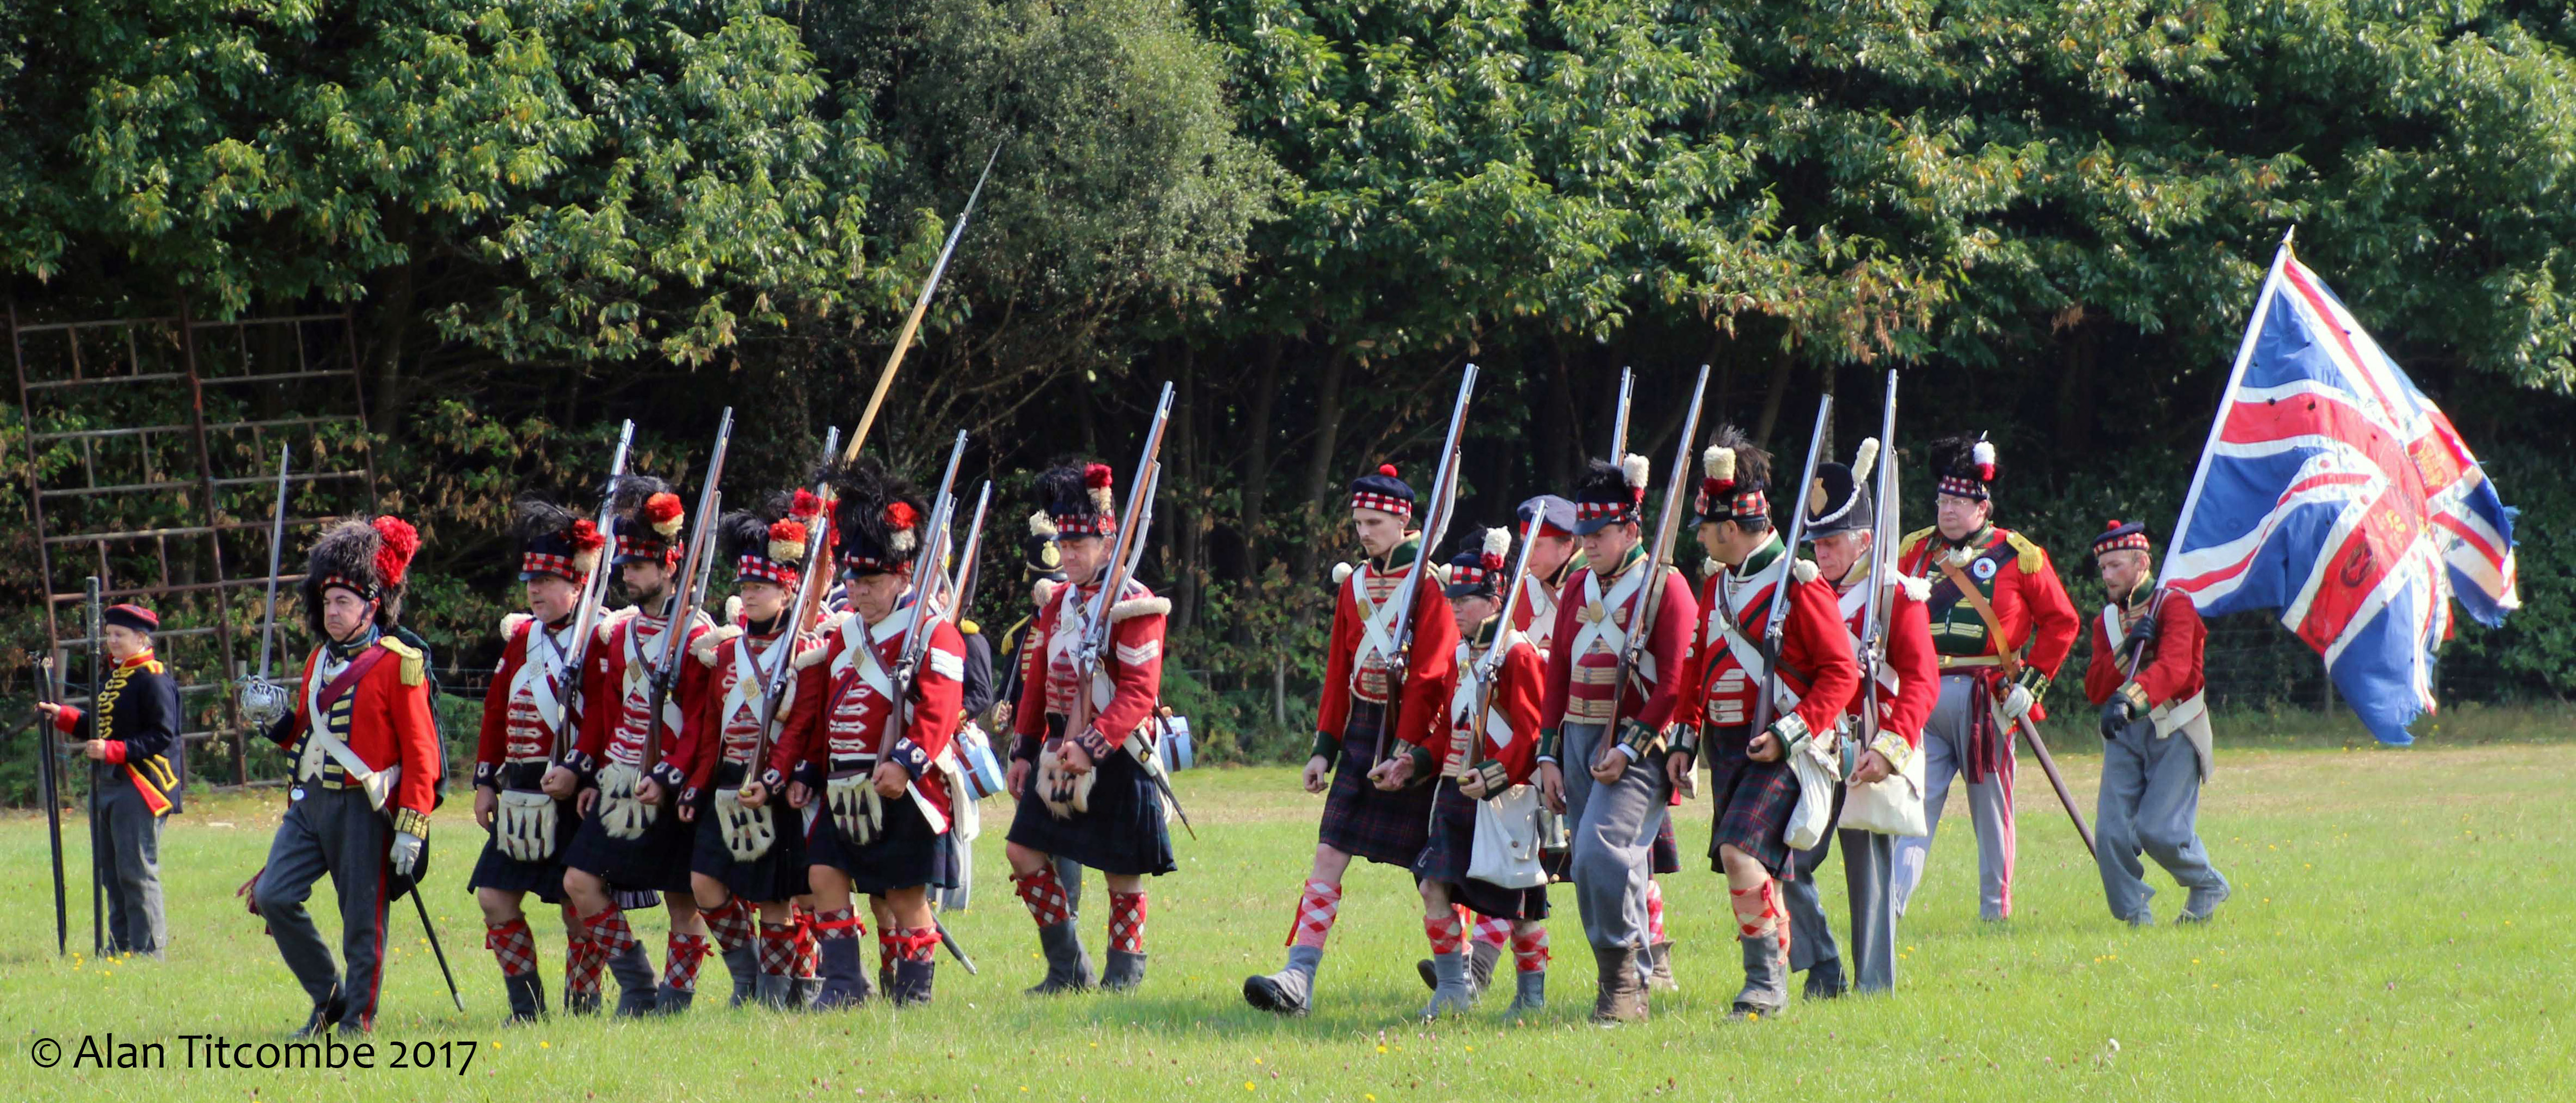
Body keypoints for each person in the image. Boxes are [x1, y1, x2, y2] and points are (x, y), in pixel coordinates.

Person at [1244, 463, 1455, 1016]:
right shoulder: (1354, 585)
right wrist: (1324, 747)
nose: (1363, 533)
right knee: (1328, 852)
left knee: (1432, 874)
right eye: (1358, 523)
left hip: (1414, 734)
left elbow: (1431, 675)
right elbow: (1339, 671)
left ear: (1403, 522)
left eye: (1373, 523)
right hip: (1363, 726)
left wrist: (1406, 751)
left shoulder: (1429, 584)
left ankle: (1458, 979)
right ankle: (1299, 977)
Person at [1668, 427, 1859, 1020]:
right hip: (1728, 744)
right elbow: (1695, 665)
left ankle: (1763, 984)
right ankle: (1781, 982)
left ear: (1729, 528)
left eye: (1705, 526)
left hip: (1786, 748)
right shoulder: (1716, 584)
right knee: (1762, 868)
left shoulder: (1796, 584)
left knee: (1740, 854)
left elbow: (1840, 674)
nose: (1699, 535)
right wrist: (1683, 736)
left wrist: (1787, 734)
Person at [768, 460, 966, 1007]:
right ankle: (844, 984)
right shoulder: (843, 637)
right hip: (845, 786)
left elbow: (940, 710)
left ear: (901, 578)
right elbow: (825, 716)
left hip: (905, 785)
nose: (859, 591)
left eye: (872, 581)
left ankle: (913, 997)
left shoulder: (933, 633)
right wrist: (809, 769)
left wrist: (906, 761)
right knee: (823, 875)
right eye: (853, 581)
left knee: (903, 896)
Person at [251, 516, 440, 1035]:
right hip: (310, 805)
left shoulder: (398, 664)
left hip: (363, 807)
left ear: (370, 607)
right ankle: (329, 997)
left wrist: (412, 824)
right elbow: (305, 735)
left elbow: (422, 753)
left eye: (343, 602)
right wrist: (272, 719)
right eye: (328, 601)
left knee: (362, 922)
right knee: (273, 895)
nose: (332, 611)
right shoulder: (318, 660)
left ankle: (356, 1019)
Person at [1532, 453, 1698, 1025]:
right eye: (1585, 533)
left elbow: (1675, 683)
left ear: (1630, 530)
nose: (1588, 543)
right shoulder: (1579, 585)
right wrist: (1548, 754)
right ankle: (1627, 979)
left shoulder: (1666, 587)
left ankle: (1623, 983)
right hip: (1578, 738)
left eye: (1599, 533)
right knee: (1595, 864)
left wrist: (1628, 748)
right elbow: (1557, 672)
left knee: (1601, 853)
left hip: (1637, 745)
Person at [1889, 435, 2080, 922]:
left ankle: (1995, 912)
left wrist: (2031, 684)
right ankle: (1889, 908)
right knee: (1911, 806)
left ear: (1982, 506)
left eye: (1957, 502)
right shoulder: (1915, 551)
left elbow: (2061, 622)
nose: (1947, 511)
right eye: (1942, 501)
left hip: (1986, 698)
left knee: (1991, 812)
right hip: (1923, 694)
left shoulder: (2017, 553)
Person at [1006, 462, 1173, 995]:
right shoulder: (1057, 602)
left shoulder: (1135, 602)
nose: (1068, 555)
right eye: (1064, 544)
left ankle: (1123, 976)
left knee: (1121, 872)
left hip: (1116, 751)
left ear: (1107, 544)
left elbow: (1137, 693)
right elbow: (1036, 684)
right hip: (1059, 748)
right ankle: (1068, 969)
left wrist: (1092, 746)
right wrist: (1023, 751)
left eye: (1078, 545)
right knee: (1022, 851)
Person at [1782, 441, 1936, 997]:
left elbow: (1920, 680)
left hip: (1872, 745)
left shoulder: (1896, 595)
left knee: (1870, 878)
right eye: (1817, 542)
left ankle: (1873, 989)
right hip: (1815, 747)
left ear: (1864, 540)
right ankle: (1823, 965)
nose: (1821, 552)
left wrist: (1890, 748)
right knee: (1786, 859)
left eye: (1832, 541)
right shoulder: (1803, 591)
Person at [554, 476, 713, 1015]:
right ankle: (638, 982)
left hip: (674, 783)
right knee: (580, 881)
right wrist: (595, 775)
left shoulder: (698, 636)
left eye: (639, 566)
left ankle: (677, 997)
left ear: (669, 567)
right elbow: (609, 716)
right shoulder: (619, 635)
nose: (627, 575)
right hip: (620, 780)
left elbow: (701, 724)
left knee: (683, 899)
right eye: (625, 566)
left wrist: (672, 777)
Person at [671, 491, 825, 1007]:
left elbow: (801, 727)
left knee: (775, 899)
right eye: (746, 587)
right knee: (704, 884)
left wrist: (774, 779)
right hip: (726, 786)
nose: (750, 595)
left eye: (761, 586)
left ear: (786, 590)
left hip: (774, 788)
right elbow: (710, 730)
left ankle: (775, 995)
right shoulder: (725, 653)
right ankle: (748, 974)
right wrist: (696, 786)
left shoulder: (804, 652)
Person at [467, 499, 607, 1021]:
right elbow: (496, 711)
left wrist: (581, 770)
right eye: (531, 581)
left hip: (574, 788)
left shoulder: (598, 637)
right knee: (494, 896)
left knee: (577, 908)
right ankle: (526, 1008)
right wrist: (486, 781)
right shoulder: (523, 638)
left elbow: (606, 716)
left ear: (577, 584)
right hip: (521, 791)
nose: (534, 590)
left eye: (547, 580)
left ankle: (584, 1005)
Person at [1411, 529, 1551, 1019]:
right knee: (1432, 885)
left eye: (1465, 599)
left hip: (1505, 796)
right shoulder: (1461, 653)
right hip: (1456, 791)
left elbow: (1531, 736)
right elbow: (1453, 728)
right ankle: (1454, 989)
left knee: (1520, 906)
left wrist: (1492, 776)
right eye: (1452, 599)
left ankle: (1530, 999)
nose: (1454, 607)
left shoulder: (1517, 653)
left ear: (1494, 601)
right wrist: (1413, 760)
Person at [2082, 520, 2228, 925]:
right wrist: (2124, 653)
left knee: (2160, 831)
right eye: (2103, 568)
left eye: (2115, 565)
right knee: (2111, 833)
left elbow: (2176, 669)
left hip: (2175, 727)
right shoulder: (2106, 622)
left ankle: (2206, 883)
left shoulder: (2175, 606)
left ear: (2142, 562)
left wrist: (2130, 698)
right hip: (2125, 731)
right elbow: (2094, 687)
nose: (2107, 575)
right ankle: (2134, 916)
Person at [40, 602, 181, 958]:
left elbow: (162, 735)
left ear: (141, 638)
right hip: (109, 781)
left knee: (136, 870)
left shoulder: (153, 678)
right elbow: (102, 725)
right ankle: (120, 946)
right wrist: (64, 716)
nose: (112, 641)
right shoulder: (115, 677)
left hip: (142, 784)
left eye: (120, 635)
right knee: (112, 872)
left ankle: (148, 950)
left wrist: (114, 750)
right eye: (110, 634)